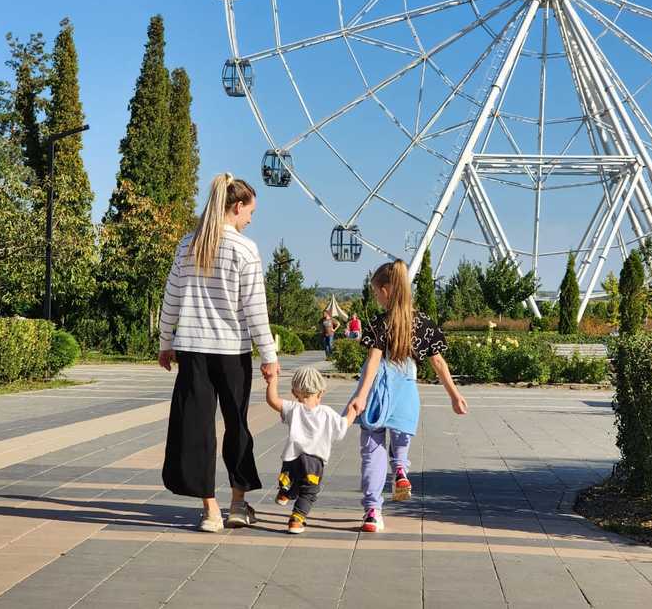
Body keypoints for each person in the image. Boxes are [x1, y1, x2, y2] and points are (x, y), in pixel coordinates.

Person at [158, 172, 279, 533]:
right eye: (250, 212)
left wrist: (166, 341)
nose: (251, 219)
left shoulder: (187, 245)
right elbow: (255, 309)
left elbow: (172, 298)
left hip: (192, 349)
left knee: (198, 428)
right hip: (231, 351)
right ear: (237, 206)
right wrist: (268, 356)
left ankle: (210, 510)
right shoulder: (245, 249)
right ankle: (238, 504)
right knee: (236, 425)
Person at [349, 260, 468, 533]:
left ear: (387, 290)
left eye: (376, 292)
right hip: (406, 392)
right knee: (400, 439)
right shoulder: (423, 323)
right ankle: (400, 469)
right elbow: (438, 363)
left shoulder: (380, 324)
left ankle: (372, 512)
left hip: (379, 393)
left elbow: (373, 364)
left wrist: (361, 397)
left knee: (372, 452)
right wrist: (454, 395)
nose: (376, 298)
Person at [264, 366, 357, 534]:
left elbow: (272, 400)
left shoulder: (293, 408)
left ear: (294, 392)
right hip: (314, 462)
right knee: (309, 491)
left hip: (292, 458)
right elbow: (343, 426)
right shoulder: (327, 413)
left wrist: (272, 381)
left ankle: (285, 490)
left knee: (293, 477)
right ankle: (296, 521)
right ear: (321, 393)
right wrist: (353, 412)